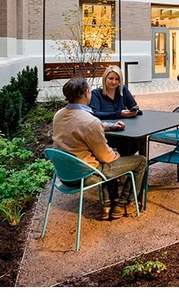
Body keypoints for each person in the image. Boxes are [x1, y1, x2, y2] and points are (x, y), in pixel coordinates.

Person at [52, 77, 147, 220]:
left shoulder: (58, 115)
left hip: (65, 174)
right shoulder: (90, 122)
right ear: (86, 93)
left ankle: (108, 205)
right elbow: (106, 157)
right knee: (140, 161)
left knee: (99, 157)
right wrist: (117, 154)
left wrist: (109, 126)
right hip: (85, 175)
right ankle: (125, 204)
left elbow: (78, 125)